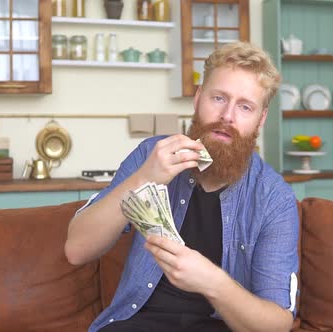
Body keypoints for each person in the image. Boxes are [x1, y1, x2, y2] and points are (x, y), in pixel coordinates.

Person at [65, 42, 299, 332]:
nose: (228, 116)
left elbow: (277, 324)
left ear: (260, 119)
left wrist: (212, 282)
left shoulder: (274, 198)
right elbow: (76, 250)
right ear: (198, 98)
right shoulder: (151, 154)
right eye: (218, 98)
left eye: (245, 106)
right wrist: (144, 177)